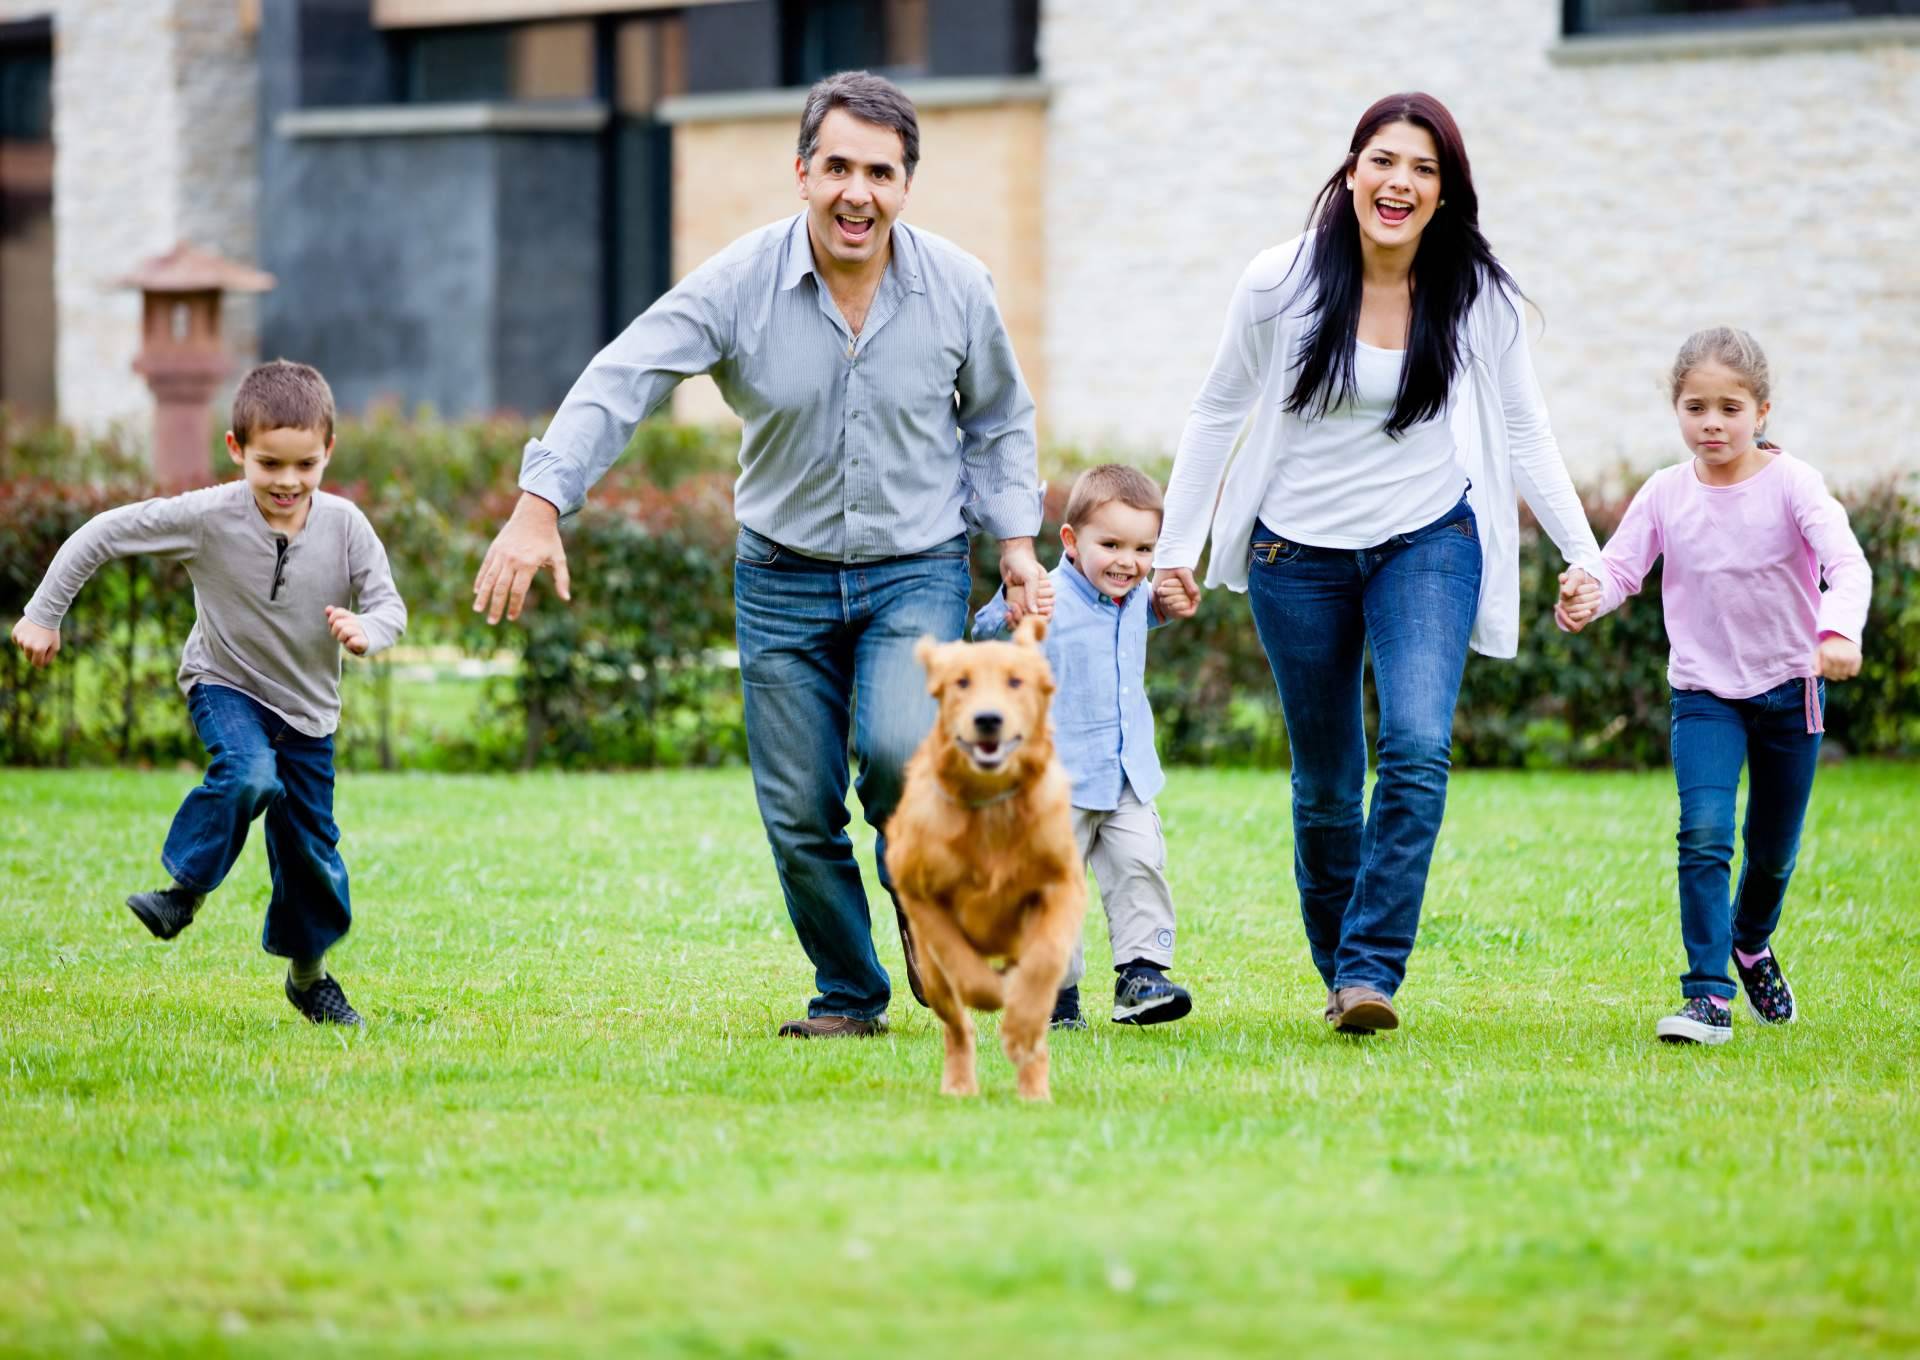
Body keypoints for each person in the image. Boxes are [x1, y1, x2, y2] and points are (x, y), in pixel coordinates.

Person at [469, 71, 1049, 1038]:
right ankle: (848, 997)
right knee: (797, 813)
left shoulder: (957, 287)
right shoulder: (739, 282)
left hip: (917, 567)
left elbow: (999, 421)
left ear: (906, 186)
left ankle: (918, 905)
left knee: (903, 753)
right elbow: (626, 376)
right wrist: (540, 505)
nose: (855, 192)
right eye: (837, 168)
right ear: (802, 173)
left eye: (879, 172)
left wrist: (1018, 545)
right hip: (781, 580)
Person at [1154, 91, 1604, 1035]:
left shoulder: (1477, 296)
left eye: (1424, 169)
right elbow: (1215, 411)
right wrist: (1173, 551)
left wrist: (1584, 554)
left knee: (1416, 745)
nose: (1400, 182)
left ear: (1446, 193)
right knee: (1324, 782)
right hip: (1295, 554)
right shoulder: (1280, 283)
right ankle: (1341, 973)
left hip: (1427, 543)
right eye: (1384, 161)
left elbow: (1524, 427)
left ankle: (1370, 973)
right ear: (1352, 170)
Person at [9, 360, 406, 1025]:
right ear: (236, 450)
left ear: (329, 451)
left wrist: (367, 628)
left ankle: (309, 980)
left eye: (305, 465)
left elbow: (389, 606)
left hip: (308, 714)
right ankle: (183, 894)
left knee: (313, 856)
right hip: (227, 685)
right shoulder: (207, 516)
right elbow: (104, 533)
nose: (288, 481)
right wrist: (43, 612)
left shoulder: (346, 527)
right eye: (269, 463)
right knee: (249, 775)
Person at [1559, 327, 1869, 1045]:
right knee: (1703, 833)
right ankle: (1707, 996)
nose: (1713, 423)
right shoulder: (1667, 493)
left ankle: (1751, 942)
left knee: (1772, 854)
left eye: (1730, 408)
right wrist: (1584, 594)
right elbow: (1620, 571)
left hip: (1792, 689)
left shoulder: (1793, 484)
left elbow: (1846, 566)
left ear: (1762, 411)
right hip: (1704, 695)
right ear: (1677, 410)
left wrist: (1838, 633)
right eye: (1696, 407)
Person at [973, 465, 1194, 1030]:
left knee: (1140, 865)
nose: (1129, 561)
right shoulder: (1046, 599)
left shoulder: (1134, 596)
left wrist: (1165, 603)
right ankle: (1055, 994)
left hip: (1126, 778)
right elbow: (987, 637)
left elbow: (1140, 615)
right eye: (1112, 544)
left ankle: (1141, 977)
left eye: (1143, 548)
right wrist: (1011, 605)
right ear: (1071, 542)